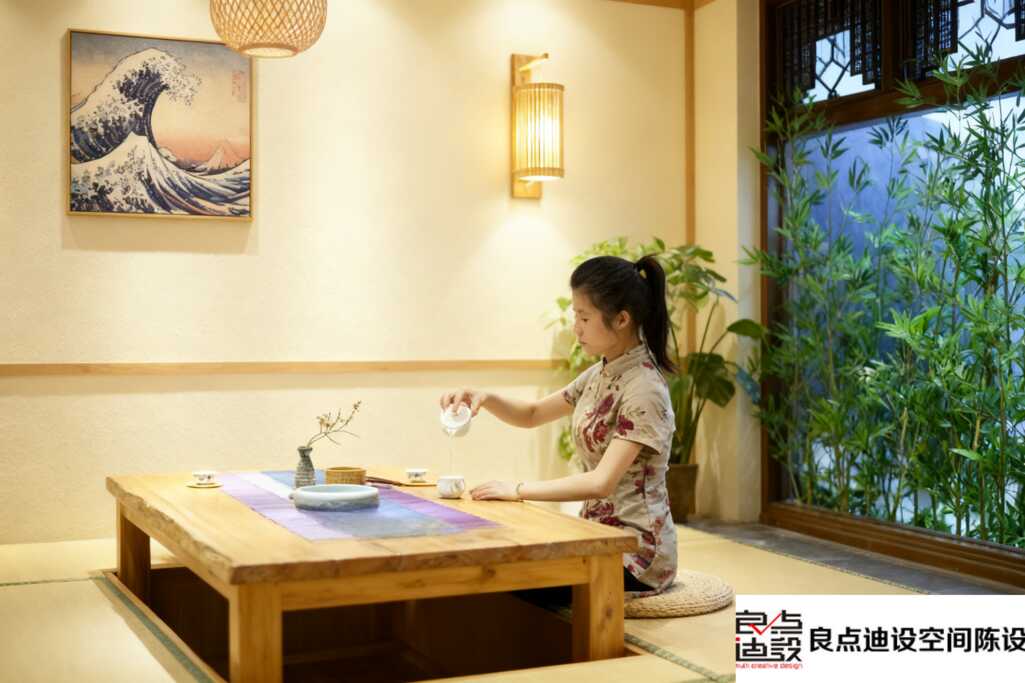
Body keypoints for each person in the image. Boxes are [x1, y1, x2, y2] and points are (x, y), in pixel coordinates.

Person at [440, 254, 678, 598]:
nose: (576, 328)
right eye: (575, 316)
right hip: (596, 534)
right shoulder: (601, 373)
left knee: (505, 579)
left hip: (636, 554)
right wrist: (484, 397)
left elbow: (600, 482)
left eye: (584, 317)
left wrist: (517, 489)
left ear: (622, 319)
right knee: (491, 560)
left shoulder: (645, 389)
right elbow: (533, 414)